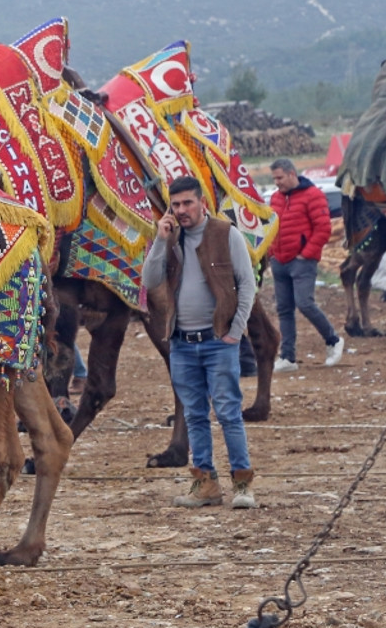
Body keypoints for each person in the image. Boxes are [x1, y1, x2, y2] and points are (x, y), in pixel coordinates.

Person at [142, 176, 257, 508]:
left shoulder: (226, 234)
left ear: (202, 202)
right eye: (175, 205)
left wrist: (235, 331)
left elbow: (246, 285)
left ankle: (242, 484)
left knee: (228, 413)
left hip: (218, 340)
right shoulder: (171, 239)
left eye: (187, 203)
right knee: (194, 414)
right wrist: (160, 241)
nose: (181, 211)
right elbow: (150, 281)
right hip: (181, 342)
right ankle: (205, 484)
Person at [268, 159, 344, 372]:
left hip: (301, 261)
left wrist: (306, 254)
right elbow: (271, 226)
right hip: (280, 261)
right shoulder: (275, 198)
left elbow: (323, 229)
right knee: (284, 309)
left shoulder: (313, 195)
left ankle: (333, 340)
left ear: (292, 174)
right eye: (274, 178)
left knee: (305, 303)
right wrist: (271, 253)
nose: (277, 183)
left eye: (280, 178)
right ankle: (288, 357)